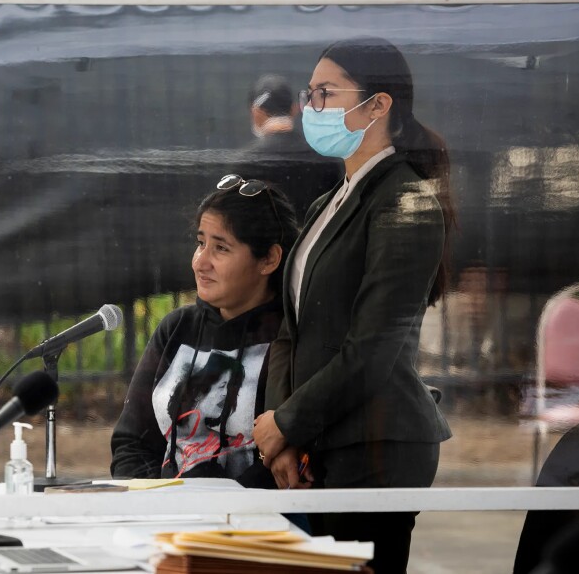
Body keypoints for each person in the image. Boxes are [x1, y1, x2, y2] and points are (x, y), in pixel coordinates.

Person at [252, 38, 455, 573]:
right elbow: (290, 331)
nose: (310, 108)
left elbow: (372, 349)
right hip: (321, 443)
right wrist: (280, 431)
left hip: (377, 450)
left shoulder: (405, 201)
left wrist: (288, 424)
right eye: (309, 94)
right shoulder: (329, 200)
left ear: (378, 105)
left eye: (325, 93)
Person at [111, 178, 299, 483]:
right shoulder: (176, 328)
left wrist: (215, 508)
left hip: (250, 523)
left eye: (221, 248)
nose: (201, 262)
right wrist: (153, 503)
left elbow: (279, 463)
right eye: (201, 244)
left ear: (269, 259)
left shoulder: (289, 338)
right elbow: (132, 442)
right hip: (165, 518)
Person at [227, 74, 342, 224]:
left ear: (256, 112)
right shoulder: (325, 157)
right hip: (315, 243)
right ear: (294, 109)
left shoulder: (246, 163)